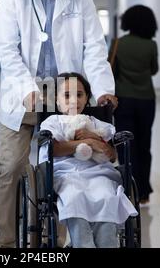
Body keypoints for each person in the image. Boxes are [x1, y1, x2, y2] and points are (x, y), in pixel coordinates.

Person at [0, 0, 118, 247]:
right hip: (24, 92)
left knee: (62, 165)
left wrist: (102, 89)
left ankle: (55, 240)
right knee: (11, 168)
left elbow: (94, 46)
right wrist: (26, 88)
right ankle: (7, 244)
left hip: (66, 94)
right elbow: (6, 47)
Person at [40, 73, 138, 248]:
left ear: (86, 99)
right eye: (67, 95)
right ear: (57, 100)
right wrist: (86, 142)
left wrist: (95, 139)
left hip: (98, 173)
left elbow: (111, 155)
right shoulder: (52, 122)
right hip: (66, 174)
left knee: (107, 197)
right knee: (74, 197)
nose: (73, 101)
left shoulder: (96, 123)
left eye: (79, 95)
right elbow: (54, 149)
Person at [112, 5, 159, 206]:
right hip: (147, 99)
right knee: (144, 144)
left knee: (125, 144)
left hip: (123, 100)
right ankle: (144, 192)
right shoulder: (151, 45)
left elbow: (111, 70)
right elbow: (154, 70)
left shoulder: (118, 44)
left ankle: (130, 187)